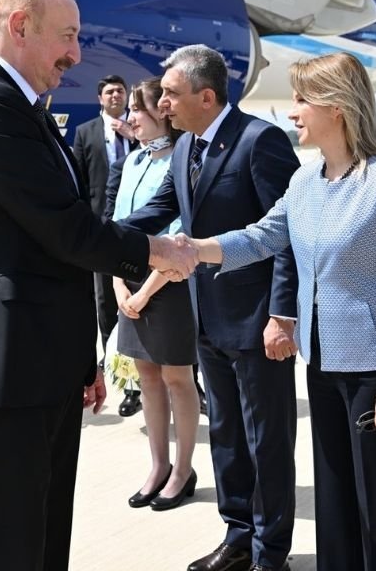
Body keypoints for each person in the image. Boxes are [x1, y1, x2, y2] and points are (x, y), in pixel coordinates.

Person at [0, 0, 196, 571]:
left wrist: (81, 360)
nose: (76, 54)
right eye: (68, 36)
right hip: (5, 365)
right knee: (11, 545)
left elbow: (51, 240)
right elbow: (63, 227)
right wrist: (157, 250)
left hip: (36, 359)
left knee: (45, 536)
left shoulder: (17, 105)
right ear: (21, 26)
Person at [188, 52, 376, 570]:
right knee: (336, 506)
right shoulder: (305, 182)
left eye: (301, 99)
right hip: (322, 364)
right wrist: (191, 250)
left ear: (336, 106)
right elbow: (260, 237)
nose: (292, 111)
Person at [122, 44, 301, 571]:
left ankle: (271, 553)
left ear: (206, 96)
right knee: (225, 435)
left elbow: (288, 233)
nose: (162, 103)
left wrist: (281, 314)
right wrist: (95, 237)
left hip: (258, 322)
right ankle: (238, 536)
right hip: (207, 319)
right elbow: (160, 210)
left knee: (266, 441)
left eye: (171, 94)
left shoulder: (259, 141)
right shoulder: (185, 148)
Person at [110, 77, 201, 511]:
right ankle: (159, 465)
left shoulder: (180, 163)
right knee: (146, 376)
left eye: (138, 109)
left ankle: (183, 469)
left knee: (177, 378)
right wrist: (118, 282)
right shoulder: (133, 161)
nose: (130, 118)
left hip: (168, 283)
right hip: (129, 282)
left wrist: (144, 292)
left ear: (160, 115)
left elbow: (180, 235)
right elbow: (118, 225)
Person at [72, 74, 141, 415]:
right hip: (100, 231)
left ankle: (142, 382)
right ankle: (122, 378)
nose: (116, 96)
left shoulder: (139, 129)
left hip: (138, 228)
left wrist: (134, 138)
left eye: (120, 91)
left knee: (139, 302)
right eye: (110, 92)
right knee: (106, 305)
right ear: (100, 98)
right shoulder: (85, 132)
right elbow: (79, 182)